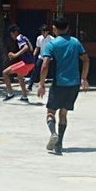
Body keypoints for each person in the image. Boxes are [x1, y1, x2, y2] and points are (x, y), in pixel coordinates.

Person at [36, 16, 89, 155]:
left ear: (54, 28)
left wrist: (41, 83)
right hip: (74, 84)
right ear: (67, 28)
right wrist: (84, 78)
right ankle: (59, 144)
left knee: (50, 112)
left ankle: (53, 133)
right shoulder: (75, 42)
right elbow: (86, 59)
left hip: (59, 83)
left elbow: (45, 65)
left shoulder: (52, 44)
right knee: (64, 113)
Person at [1, 24, 35, 102]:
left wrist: (15, 55)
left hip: (26, 63)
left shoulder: (19, 37)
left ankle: (10, 93)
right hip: (31, 63)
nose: (12, 36)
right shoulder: (24, 37)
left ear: (15, 32)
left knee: (5, 73)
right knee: (20, 76)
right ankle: (24, 96)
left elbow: (26, 47)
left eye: (12, 34)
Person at [27, 24, 54, 90]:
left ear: (47, 32)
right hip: (41, 57)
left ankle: (55, 85)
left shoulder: (52, 39)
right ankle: (30, 84)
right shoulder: (39, 38)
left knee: (53, 71)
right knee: (35, 70)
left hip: (50, 58)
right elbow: (37, 48)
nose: (43, 33)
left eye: (44, 31)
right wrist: (33, 55)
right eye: (42, 31)